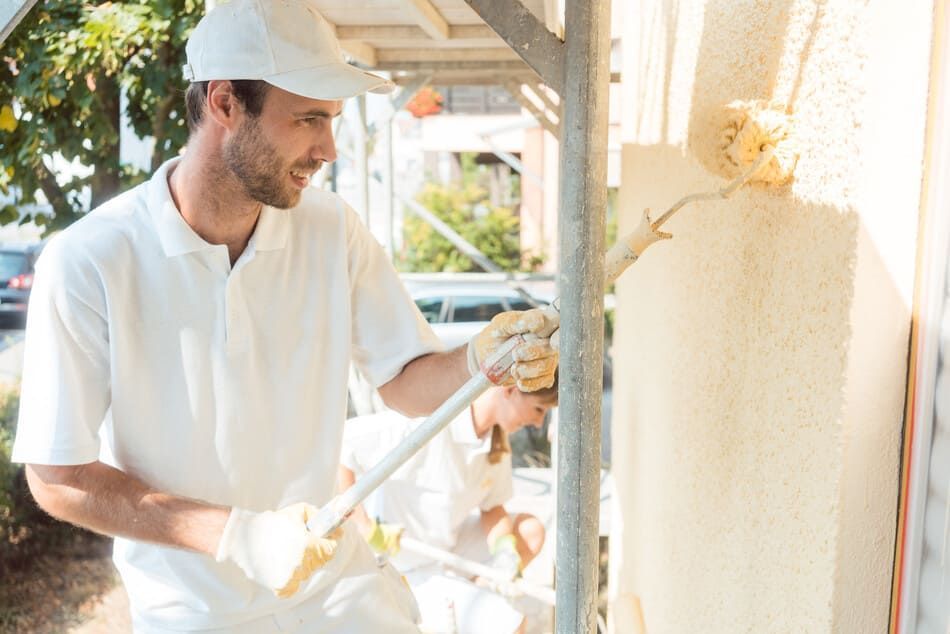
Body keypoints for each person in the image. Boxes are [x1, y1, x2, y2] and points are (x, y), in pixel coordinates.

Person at [10, 1, 558, 632]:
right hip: (192, 609)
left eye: (331, 121)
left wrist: (479, 358)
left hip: (336, 589)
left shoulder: (332, 231)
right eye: (308, 119)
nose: (328, 148)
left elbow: (406, 381)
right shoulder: (90, 259)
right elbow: (57, 477)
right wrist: (233, 536)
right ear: (224, 104)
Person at [337, 382, 558, 633]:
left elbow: (492, 508)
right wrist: (364, 527)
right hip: (402, 564)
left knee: (529, 531)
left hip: (447, 548)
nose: (539, 423)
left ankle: (478, 587)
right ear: (509, 390)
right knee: (511, 624)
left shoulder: (496, 444)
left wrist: (505, 553)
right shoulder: (429, 423)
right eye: (539, 409)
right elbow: (343, 446)